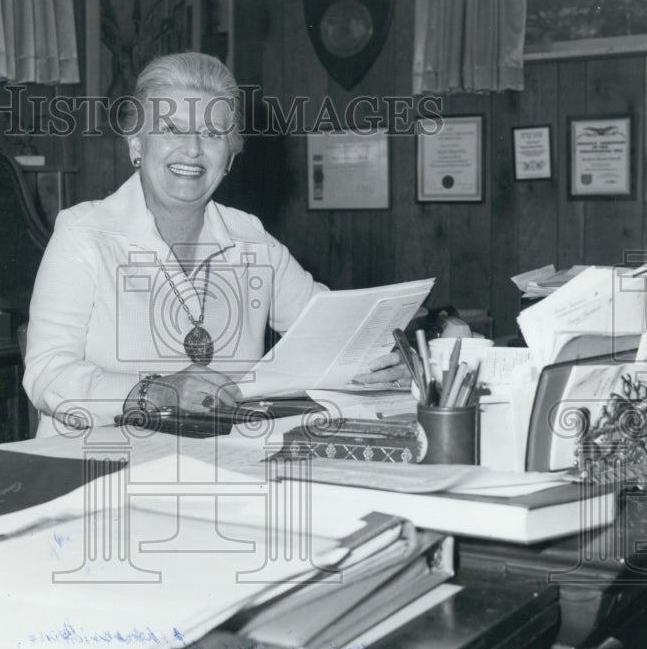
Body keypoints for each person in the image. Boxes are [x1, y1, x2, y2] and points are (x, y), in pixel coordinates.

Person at [24, 52, 407, 436]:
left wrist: (389, 361)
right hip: (96, 466)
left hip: (227, 462)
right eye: (171, 129)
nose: (192, 149)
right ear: (136, 144)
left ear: (230, 158)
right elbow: (46, 372)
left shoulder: (252, 241)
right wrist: (152, 392)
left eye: (212, 134)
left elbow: (337, 333)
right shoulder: (83, 235)